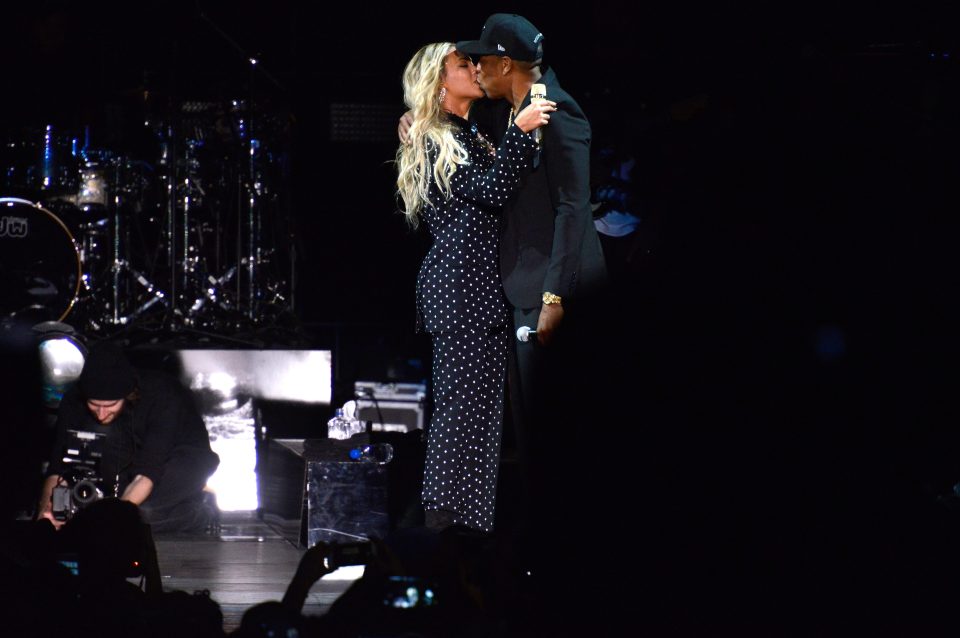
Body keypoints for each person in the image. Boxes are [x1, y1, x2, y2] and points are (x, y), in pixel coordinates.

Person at [395, 41, 556, 533]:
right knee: (458, 418)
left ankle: (469, 534)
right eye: (462, 64)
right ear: (439, 80)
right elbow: (488, 192)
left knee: (482, 423)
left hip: (482, 290)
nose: (473, 68)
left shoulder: (468, 132)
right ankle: (442, 532)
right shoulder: (431, 133)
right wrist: (522, 134)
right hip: (461, 288)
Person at [35, 341, 220, 534]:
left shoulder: (163, 394)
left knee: (139, 515)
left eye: (110, 405)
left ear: (128, 395)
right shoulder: (73, 401)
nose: (101, 413)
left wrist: (115, 518)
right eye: (94, 405)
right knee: (107, 512)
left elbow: (149, 470)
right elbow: (58, 467)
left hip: (183, 459)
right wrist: (46, 514)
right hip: (131, 455)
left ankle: (203, 512)